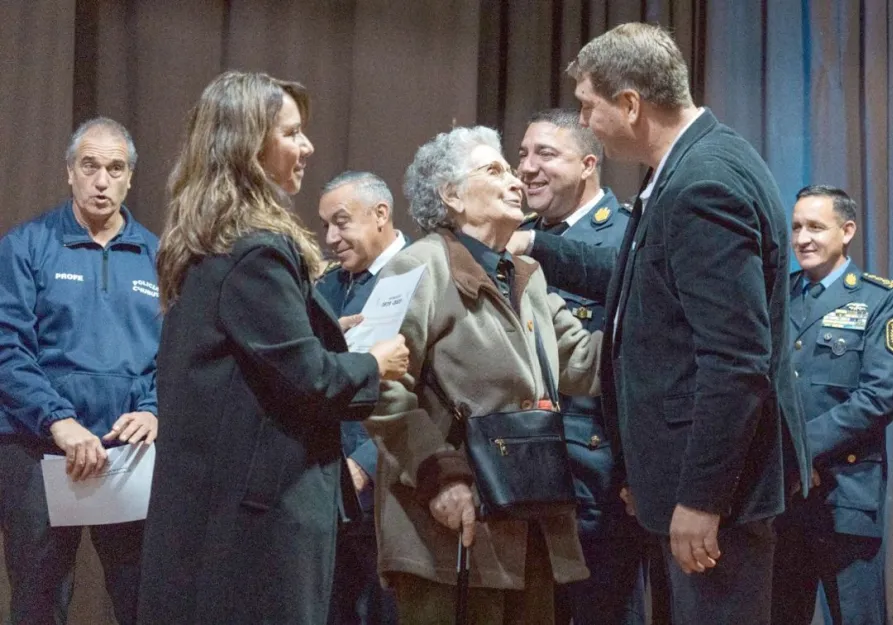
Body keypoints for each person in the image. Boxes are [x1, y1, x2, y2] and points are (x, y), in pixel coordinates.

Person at [509, 23, 810, 624]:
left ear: (630, 103)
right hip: (683, 483)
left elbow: (735, 361)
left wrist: (701, 498)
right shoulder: (690, 162)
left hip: (715, 499)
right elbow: (639, 288)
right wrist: (535, 246)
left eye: (589, 106)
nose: (585, 120)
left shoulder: (704, 183)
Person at [136, 71, 409, 625]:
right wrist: (374, 364)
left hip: (222, 506)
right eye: (292, 133)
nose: (307, 146)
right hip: (260, 516)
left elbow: (257, 363)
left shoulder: (207, 239)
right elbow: (308, 379)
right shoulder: (256, 252)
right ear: (248, 145)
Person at [362, 125, 602, 625]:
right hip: (447, 531)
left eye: (510, 170)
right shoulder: (414, 267)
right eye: (494, 170)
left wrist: (664, 329)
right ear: (452, 196)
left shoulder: (525, 274)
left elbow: (582, 363)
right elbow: (380, 388)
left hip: (530, 523)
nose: (516, 180)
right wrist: (437, 475)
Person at [0, 117, 159, 625]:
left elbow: (177, 356)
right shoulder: (26, 246)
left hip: (128, 452)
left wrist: (155, 410)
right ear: (69, 171)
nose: (101, 180)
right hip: (40, 447)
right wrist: (58, 421)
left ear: (130, 178)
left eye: (115, 168)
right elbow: (7, 347)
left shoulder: (159, 256)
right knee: (38, 602)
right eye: (90, 166)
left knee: (145, 601)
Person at [516, 108, 648, 625]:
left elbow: (637, 369)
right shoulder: (513, 236)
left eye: (546, 153)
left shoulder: (625, 239)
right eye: (523, 153)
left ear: (589, 163)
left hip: (600, 476)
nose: (527, 167)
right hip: (522, 472)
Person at [771, 185, 893, 625]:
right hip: (782, 495)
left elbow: (880, 396)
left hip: (845, 495)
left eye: (815, 226)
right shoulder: (778, 295)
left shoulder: (880, 299)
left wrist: (800, 448)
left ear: (847, 230)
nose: (802, 239)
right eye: (796, 227)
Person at [316, 171, 409, 625]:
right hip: (328, 490)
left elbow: (429, 389)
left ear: (380, 215)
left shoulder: (421, 274)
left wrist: (367, 464)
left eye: (341, 222)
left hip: (392, 489)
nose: (331, 238)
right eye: (326, 226)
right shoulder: (326, 288)